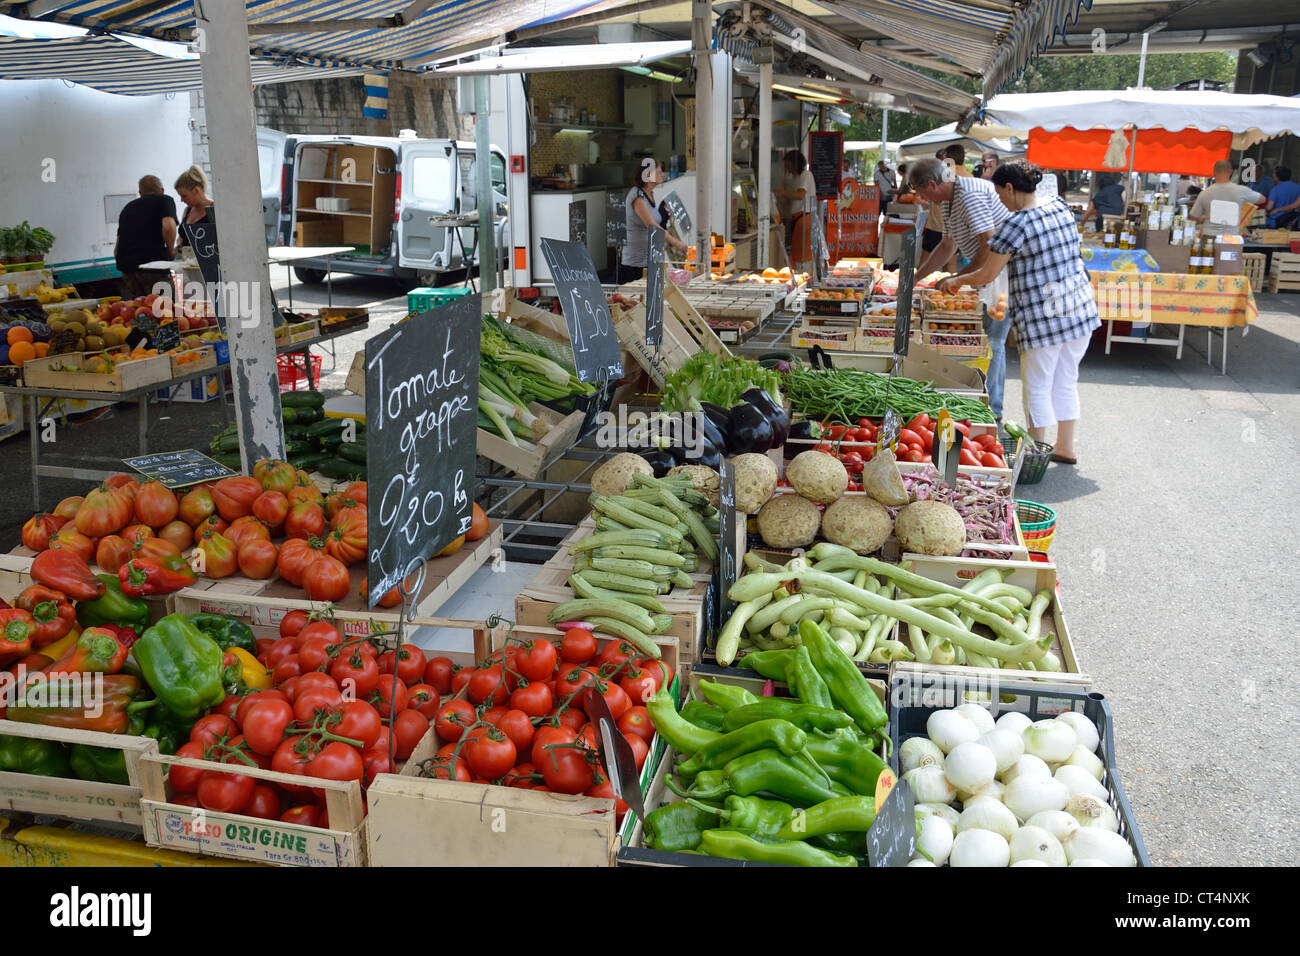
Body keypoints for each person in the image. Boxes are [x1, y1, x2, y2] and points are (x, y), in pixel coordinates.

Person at [939, 160, 1099, 465]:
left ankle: (1037, 451)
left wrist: (956, 280)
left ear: (1010, 188)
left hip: (1043, 318)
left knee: (1037, 386)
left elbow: (987, 274)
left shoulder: (1017, 223)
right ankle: (1065, 446)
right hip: (1079, 307)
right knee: (1065, 380)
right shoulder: (1059, 205)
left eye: (1000, 194)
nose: (1000, 201)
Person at [909, 156, 1013, 420]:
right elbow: (947, 246)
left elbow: (989, 246)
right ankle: (979, 398)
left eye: (920, 192)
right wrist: (917, 278)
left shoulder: (969, 195)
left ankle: (993, 409)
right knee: (988, 338)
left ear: (932, 184)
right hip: (988, 273)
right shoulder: (947, 200)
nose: (921, 198)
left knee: (995, 341)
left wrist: (958, 278)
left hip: (1004, 273)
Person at [620, 157, 689, 284]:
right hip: (636, 263)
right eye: (659, 172)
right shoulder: (638, 197)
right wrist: (676, 243)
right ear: (647, 175)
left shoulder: (649, 194)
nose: (662, 174)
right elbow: (652, 225)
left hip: (649, 259)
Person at [114, 175, 178, 298]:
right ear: (162, 191)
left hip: (127, 268)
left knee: (141, 310)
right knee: (167, 310)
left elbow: (118, 245)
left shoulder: (128, 208)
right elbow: (168, 226)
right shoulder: (164, 200)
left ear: (140, 192)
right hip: (153, 267)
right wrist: (171, 250)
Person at [1190, 160, 1264, 236]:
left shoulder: (1204, 194)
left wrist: (1204, 218)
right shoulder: (1241, 191)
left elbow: (1193, 218)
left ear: (1214, 172)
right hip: (1231, 238)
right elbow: (1262, 199)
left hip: (1209, 237)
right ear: (1231, 172)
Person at [774, 150, 817, 268]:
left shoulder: (806, 175)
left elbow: (800, 195)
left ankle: (805, 278)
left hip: (804, 218)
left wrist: (781, 192)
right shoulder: (792, 179)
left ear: (796, 164)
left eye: (789, 166)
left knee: (803, 258)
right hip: (794, 220)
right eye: (785, 167)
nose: (788, 170)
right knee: (796, 256)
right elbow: (790, 199)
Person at [174, 164, 214, 253]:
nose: (181, 200)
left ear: (196, 191)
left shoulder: (214, 210)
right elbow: (182, 237)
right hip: (186, 262)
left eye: (184, 196)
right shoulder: (187, 210)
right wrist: (179, 241)